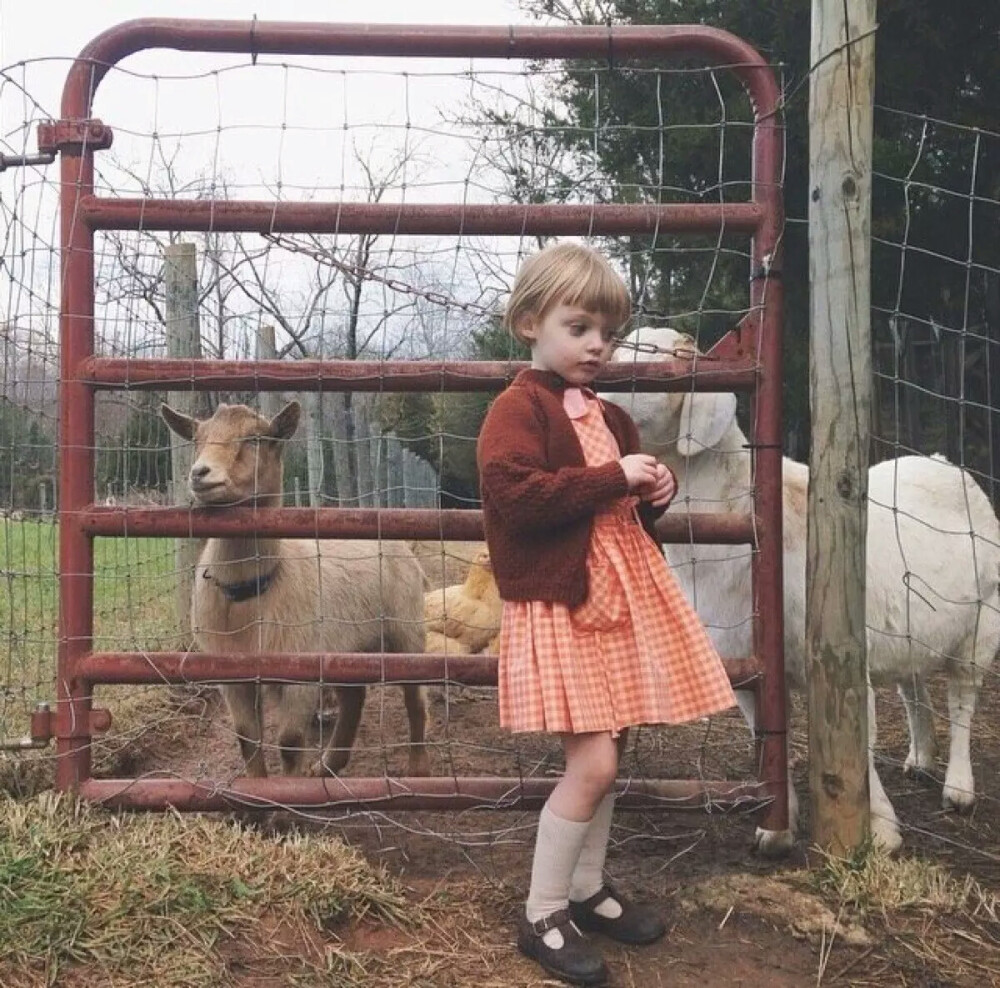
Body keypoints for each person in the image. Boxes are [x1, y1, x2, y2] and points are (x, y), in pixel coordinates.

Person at [477, 242, 737, 987]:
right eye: (579, 326)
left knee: (611, 753)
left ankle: (587, 892)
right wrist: (608, 479)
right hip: (562, 605)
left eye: (608, 332)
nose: (597, 345)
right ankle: (543, 911)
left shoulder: (611, 416)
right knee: (592, 762)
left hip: (617, 603)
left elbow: (618, 513)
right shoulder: (517, 408)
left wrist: (651, 491)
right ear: (531, 322)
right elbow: (515, 496)